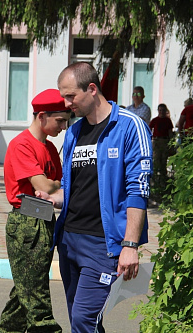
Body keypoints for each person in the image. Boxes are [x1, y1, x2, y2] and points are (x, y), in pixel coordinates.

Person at [37, 62, 152, 332]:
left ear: (91, 89)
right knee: (83, 320)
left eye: (70, 96)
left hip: (104, 246)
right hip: (69, 241)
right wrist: (54, 198)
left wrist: (130, 245)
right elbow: (72, 187)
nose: (66, 104)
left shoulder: (130, 126)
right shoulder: (75, 132)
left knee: (84, 319)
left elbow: (139, 190)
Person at [0, 89, 71, 333]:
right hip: (27, 222)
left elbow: (57, 187)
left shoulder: (49, 149)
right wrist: (56, 185)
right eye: (59, 120)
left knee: (24, 292)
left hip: (45, 219)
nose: (63, 126)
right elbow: (46, 186)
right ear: (41, 116)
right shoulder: (22, 145)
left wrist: (55, 186)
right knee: (36, 297)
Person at [149, 104, 174, 187]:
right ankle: (155, 180)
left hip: (165, 141)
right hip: (156, 141)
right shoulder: (155, 120)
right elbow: (149, 129)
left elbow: (170, 132)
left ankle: (163, 181)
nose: (162, 112)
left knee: (163, 161)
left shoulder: (168, 121)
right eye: (160, 110)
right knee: (156, 160)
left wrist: (171, 143)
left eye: (163, 110)